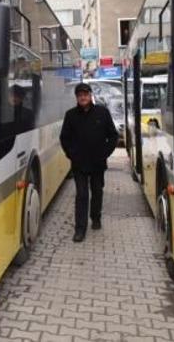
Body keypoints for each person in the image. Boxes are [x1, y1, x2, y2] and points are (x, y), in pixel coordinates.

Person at [59, 82, 118, 243]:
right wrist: (71, 154)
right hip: (79, 164)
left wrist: (104, 153)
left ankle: (96, 217)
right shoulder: (70, 115)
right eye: (80, 95)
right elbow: (64, 138)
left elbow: (113, 136)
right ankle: (80, 229)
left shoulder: (102, 112)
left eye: (85, 94)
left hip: (98, 163)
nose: (83, 97)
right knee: (82, 195)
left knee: (97, 191)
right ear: (77, 97)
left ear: (90, 95)